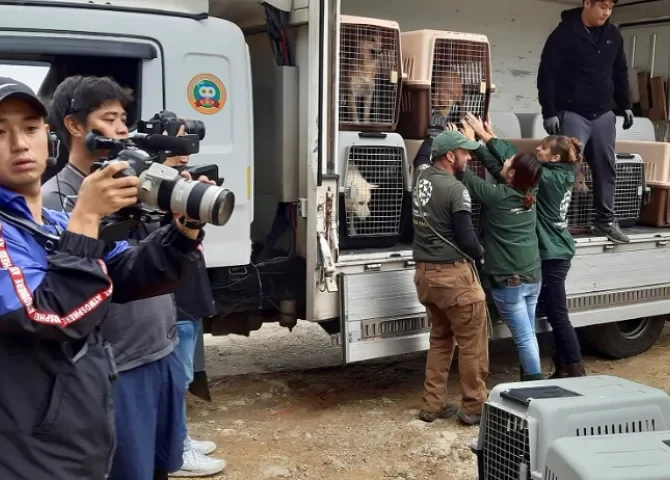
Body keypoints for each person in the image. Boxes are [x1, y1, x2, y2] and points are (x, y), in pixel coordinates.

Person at [0, 77, 204, 479]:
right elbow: (46, 314)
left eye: (29, 128)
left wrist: (183, 231)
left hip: (79, 431)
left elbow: (126, 273)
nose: (20, 143)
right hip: (29, 451)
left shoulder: (53, 223)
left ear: (49, 138)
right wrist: (88, 218)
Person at [463, 114, 587, 378]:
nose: (537, 149)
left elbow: (514, 161)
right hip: (553, 251)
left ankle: (574, 367)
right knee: (543, 318)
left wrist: (485, 138)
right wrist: (485, 145)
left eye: (543, 148)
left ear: (554, 158)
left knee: (557, 313)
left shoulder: (548, 178)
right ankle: (554, 366)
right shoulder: (557, 173)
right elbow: (507, 169)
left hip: (552, 253)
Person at [454, 121, 544, 382]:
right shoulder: (531, 190)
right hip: (531, 276)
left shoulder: (498, 196)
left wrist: (470, 143)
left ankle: (535, 385)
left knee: (524, 337)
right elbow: (499, 167)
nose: (505, 162)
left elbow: (465, 174)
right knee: (528, 334)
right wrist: (485, 140)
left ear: (513, 175)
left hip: (510, 281)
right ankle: (530, 378)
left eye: (510, 162)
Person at [538, 0, 632, 244]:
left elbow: (620, 71)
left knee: (606, 167)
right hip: (572, 112)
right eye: (602, 6)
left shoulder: (613, 34)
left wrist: (626, 105)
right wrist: (549, 110)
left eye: (610, 7)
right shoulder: (563, 34)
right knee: (565, 169)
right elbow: (547, 73)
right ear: (587, 3)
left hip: (603, 113)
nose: (607, 12)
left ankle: (605, 221)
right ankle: (556, 223)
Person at [412, 130, 488, 426]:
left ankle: (432, 405)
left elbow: (421, 156)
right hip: (454, 279)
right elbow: (467, 240)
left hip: (425, 276)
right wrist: (482, 253)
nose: (470, 157)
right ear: (450, 156)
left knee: (441, 340)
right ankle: (473, 407)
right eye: (465, 152)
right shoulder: (456, 190)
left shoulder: (421, 176)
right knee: (473, 345)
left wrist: (433, 132)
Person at [161, 140, 226, 477]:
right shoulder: (159, 193)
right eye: (176, 140)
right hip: (178, 304)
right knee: (176, 379)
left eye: (188, 140)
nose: (185, 150)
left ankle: (181, 437)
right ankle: (178, 450)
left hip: (189, 298)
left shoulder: (178, 186)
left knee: (182, 377)